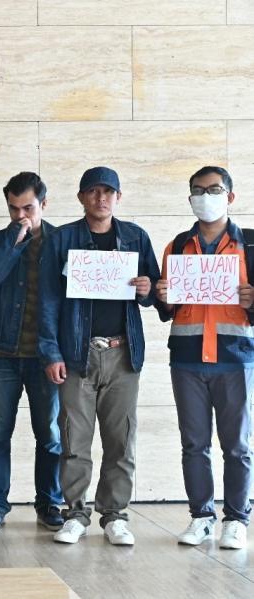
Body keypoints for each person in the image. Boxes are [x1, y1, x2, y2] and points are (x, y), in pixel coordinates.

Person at [38, 166, 160, 546]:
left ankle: (115, 515)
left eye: (108, 192)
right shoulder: (62, 239)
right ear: (81, 197)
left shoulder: (136, 237)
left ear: (118, 197)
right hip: (77, 353)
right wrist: (51, 352)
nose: (101, 198)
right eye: (93, 191)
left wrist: (147, 290)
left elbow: (157, 293)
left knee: (121, 440)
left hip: (123, 354)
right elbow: (47, 300)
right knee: (74, 440)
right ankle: (75, 514)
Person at [154, 166, 253, 550]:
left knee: (237, 446)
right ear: (190, 198)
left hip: (235, 358)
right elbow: (168, 309)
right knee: (194, 444)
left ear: (230, 196)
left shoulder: (251, 245)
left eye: (213, 189)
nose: (205, 197)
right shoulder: (177, 246)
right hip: (188, 359)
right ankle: (201, 516)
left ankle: (237, 519)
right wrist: (163, 296)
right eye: (198, 190)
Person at [0, 172, 63, 531]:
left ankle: (50, 502)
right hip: (3, 353)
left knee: (51, 434)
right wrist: (14, 241)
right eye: (14, 209)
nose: (20, 215)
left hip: (47, 355)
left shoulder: (63, 241)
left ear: (44, 203)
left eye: (28, 208)